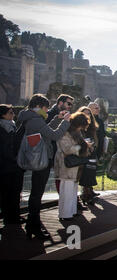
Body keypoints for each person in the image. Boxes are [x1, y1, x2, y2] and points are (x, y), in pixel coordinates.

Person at [17, 94, 71, 239]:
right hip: (41, 161)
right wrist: (65, 122)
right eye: (46, 108)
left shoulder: (30, 118)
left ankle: (32, 224)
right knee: (36, 194)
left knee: (36, 194)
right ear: (39, 107)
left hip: (36, 159)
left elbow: (45, 132)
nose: (47, 111)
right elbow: (54, 135)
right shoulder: (35, 120)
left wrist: (56, 119)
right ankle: (33, 226)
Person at [54, 112, 92, 221]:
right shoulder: (66, 132)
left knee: (72, 190)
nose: (81, 129)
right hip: (66, 165)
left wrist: (85, 146)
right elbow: (66, 148)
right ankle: (65, 214)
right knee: (66, 190)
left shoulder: (75, 132)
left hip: (74, 166)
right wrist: (81, 146)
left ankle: (71, 211)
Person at [0, 104, 25, 225]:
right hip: (7, 166)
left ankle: (14, 216)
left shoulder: (12, 126)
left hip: (14, 166)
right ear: (3, 115)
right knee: (8, 193)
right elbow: (6, 148)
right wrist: (15, 159)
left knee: (15, 192)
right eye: (10, 113)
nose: (13, 114)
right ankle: (9, 218)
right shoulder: (4, 129)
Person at [47, 94, 74, 194]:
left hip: (63, 151)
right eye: (68, 103)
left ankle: (65, 198)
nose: (70, 106)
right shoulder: (50, 114)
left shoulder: (67, 115)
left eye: (71, 104)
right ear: (60, 103)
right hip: (52, 151)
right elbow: (50, 133)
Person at [77, 106, 98, 205]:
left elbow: (95, 140)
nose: (87, 115)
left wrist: (92, 146)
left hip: (91, 153)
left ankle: (89, 193)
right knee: (84, 175)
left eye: (89, 113)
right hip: (81, 154)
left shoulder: (92, 127)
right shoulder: (77, 127)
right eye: (84, 113)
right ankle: (85, 195)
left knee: (90, 173)